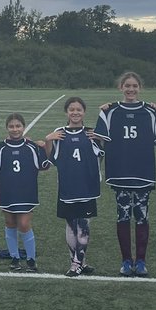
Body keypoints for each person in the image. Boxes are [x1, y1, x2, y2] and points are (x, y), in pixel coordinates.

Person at [96, 72, 156, 277]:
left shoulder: (152, 112)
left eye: (134, 86)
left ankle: (141, 261)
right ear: (121, 88)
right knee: (123, 214)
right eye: (127, 86)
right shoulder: (109, 111)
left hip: (142, 171)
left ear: (139, 88)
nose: (131, 89)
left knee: (142, 216)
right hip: (120, 171)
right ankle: (126, 260)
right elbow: (99, 141)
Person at [44, 97, 103, 277]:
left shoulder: (91, 133)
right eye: (71, 109)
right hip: (67, 187)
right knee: (71, 226)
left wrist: (101, 139)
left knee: (84, 225)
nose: (75, 112)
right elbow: (51, 160)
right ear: (66, 112)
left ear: (84, 112)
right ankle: (77, 262)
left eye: (79, 109)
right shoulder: (59, 133)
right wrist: (48, 140)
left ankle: (78, 263)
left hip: (87, 187)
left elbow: (101, 155)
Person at [0, 113, 48, 272]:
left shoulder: (32, 147)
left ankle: (31, 260)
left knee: (24, 224)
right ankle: (15, 258)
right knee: (10, 224)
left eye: (18, 126)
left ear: (23, 127)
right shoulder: (0, 147)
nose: (15, 129)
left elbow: (44, 165)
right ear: (7, 128)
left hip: (27, 192)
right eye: (11, 126)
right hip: (7, 192)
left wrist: (45, 147)